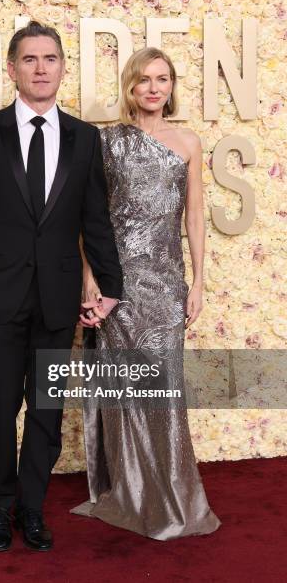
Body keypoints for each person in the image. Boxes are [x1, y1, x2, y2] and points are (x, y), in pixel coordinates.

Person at [0, 21, 122, 552]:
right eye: (30, 59)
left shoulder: (85, 138)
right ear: (13, 68)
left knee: (46, 408)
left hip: (58, 299)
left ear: (63, 67)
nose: (41, 68)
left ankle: (32, 508)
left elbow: (97, 220)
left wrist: (108, 287)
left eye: (50, 59)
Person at [72, 47, 221, 540]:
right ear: (129, 87)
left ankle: (173, 495)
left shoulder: (188, 142)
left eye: (162, 79)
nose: (153, 88)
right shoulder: (106, 142)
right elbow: (90, 219)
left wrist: (198, 281)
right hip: (117, 284)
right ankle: (132, 491)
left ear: (172, 86)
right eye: (143, 80)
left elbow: (194, 215)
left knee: (163, 388)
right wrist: (90, 280)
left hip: (164, 282)